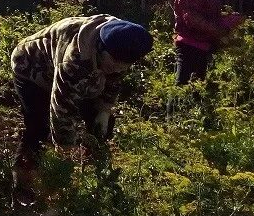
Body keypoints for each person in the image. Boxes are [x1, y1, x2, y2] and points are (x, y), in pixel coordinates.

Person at [10, 15, 153, 201]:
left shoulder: (123, 40)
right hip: (31, 66)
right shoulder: (75, 59)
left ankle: (96, 175)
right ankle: (23, 184)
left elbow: (114, 80)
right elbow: (62, 109)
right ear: (101, 49)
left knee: (101, 123)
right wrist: (65, 156)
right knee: (39, 126)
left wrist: (104, 110)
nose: (118, 68)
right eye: (114, 63)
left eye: (123, 65)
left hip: (85, 71)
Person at [172, 0, 243, 85]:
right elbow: (194, 21)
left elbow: (207, 14)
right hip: (190, 45)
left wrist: (226, 19)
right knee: (183, 84)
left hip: (201, 43)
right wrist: (223, 28)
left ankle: (191, 105)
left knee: (198, 82)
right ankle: (175, 106)